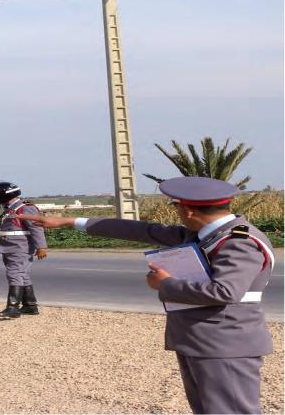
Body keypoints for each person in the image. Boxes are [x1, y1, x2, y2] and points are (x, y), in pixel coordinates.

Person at [14, 176, 275, 414]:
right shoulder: (202, 234)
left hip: (225, 345)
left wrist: (166, 284)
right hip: (203, 340)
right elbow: (140, 230)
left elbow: (225, 291)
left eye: (177, 209)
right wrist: (70, 222)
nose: (177, 215)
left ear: (188, 210)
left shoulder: (237, 242)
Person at [0, 181, 48, 317]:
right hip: (9, 247)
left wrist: (41, 247)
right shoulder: (9, 209)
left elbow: (36, 228)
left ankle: (13, 307)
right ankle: (30, 306)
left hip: (20, 248)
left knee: (14, 274)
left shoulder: (25, 208)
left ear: (5, 195)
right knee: (22, 275)